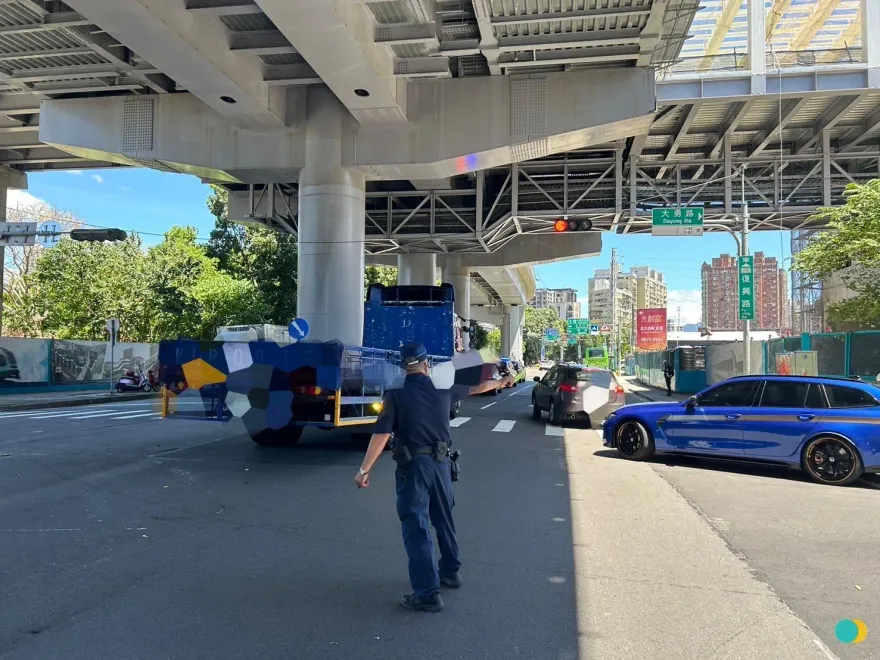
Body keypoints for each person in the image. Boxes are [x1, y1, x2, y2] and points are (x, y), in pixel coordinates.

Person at [354, 342, 514, 612]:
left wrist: (364, 470)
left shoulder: (396, 395)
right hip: (441, 465)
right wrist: (506, 379)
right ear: (427, 364)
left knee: (416, 526)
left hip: (413, 467)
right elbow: (480, 386)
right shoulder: (444, 389)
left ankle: (427, 592)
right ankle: (450, 571)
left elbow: (381, 434)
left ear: (404, 367)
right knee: (443, 518)